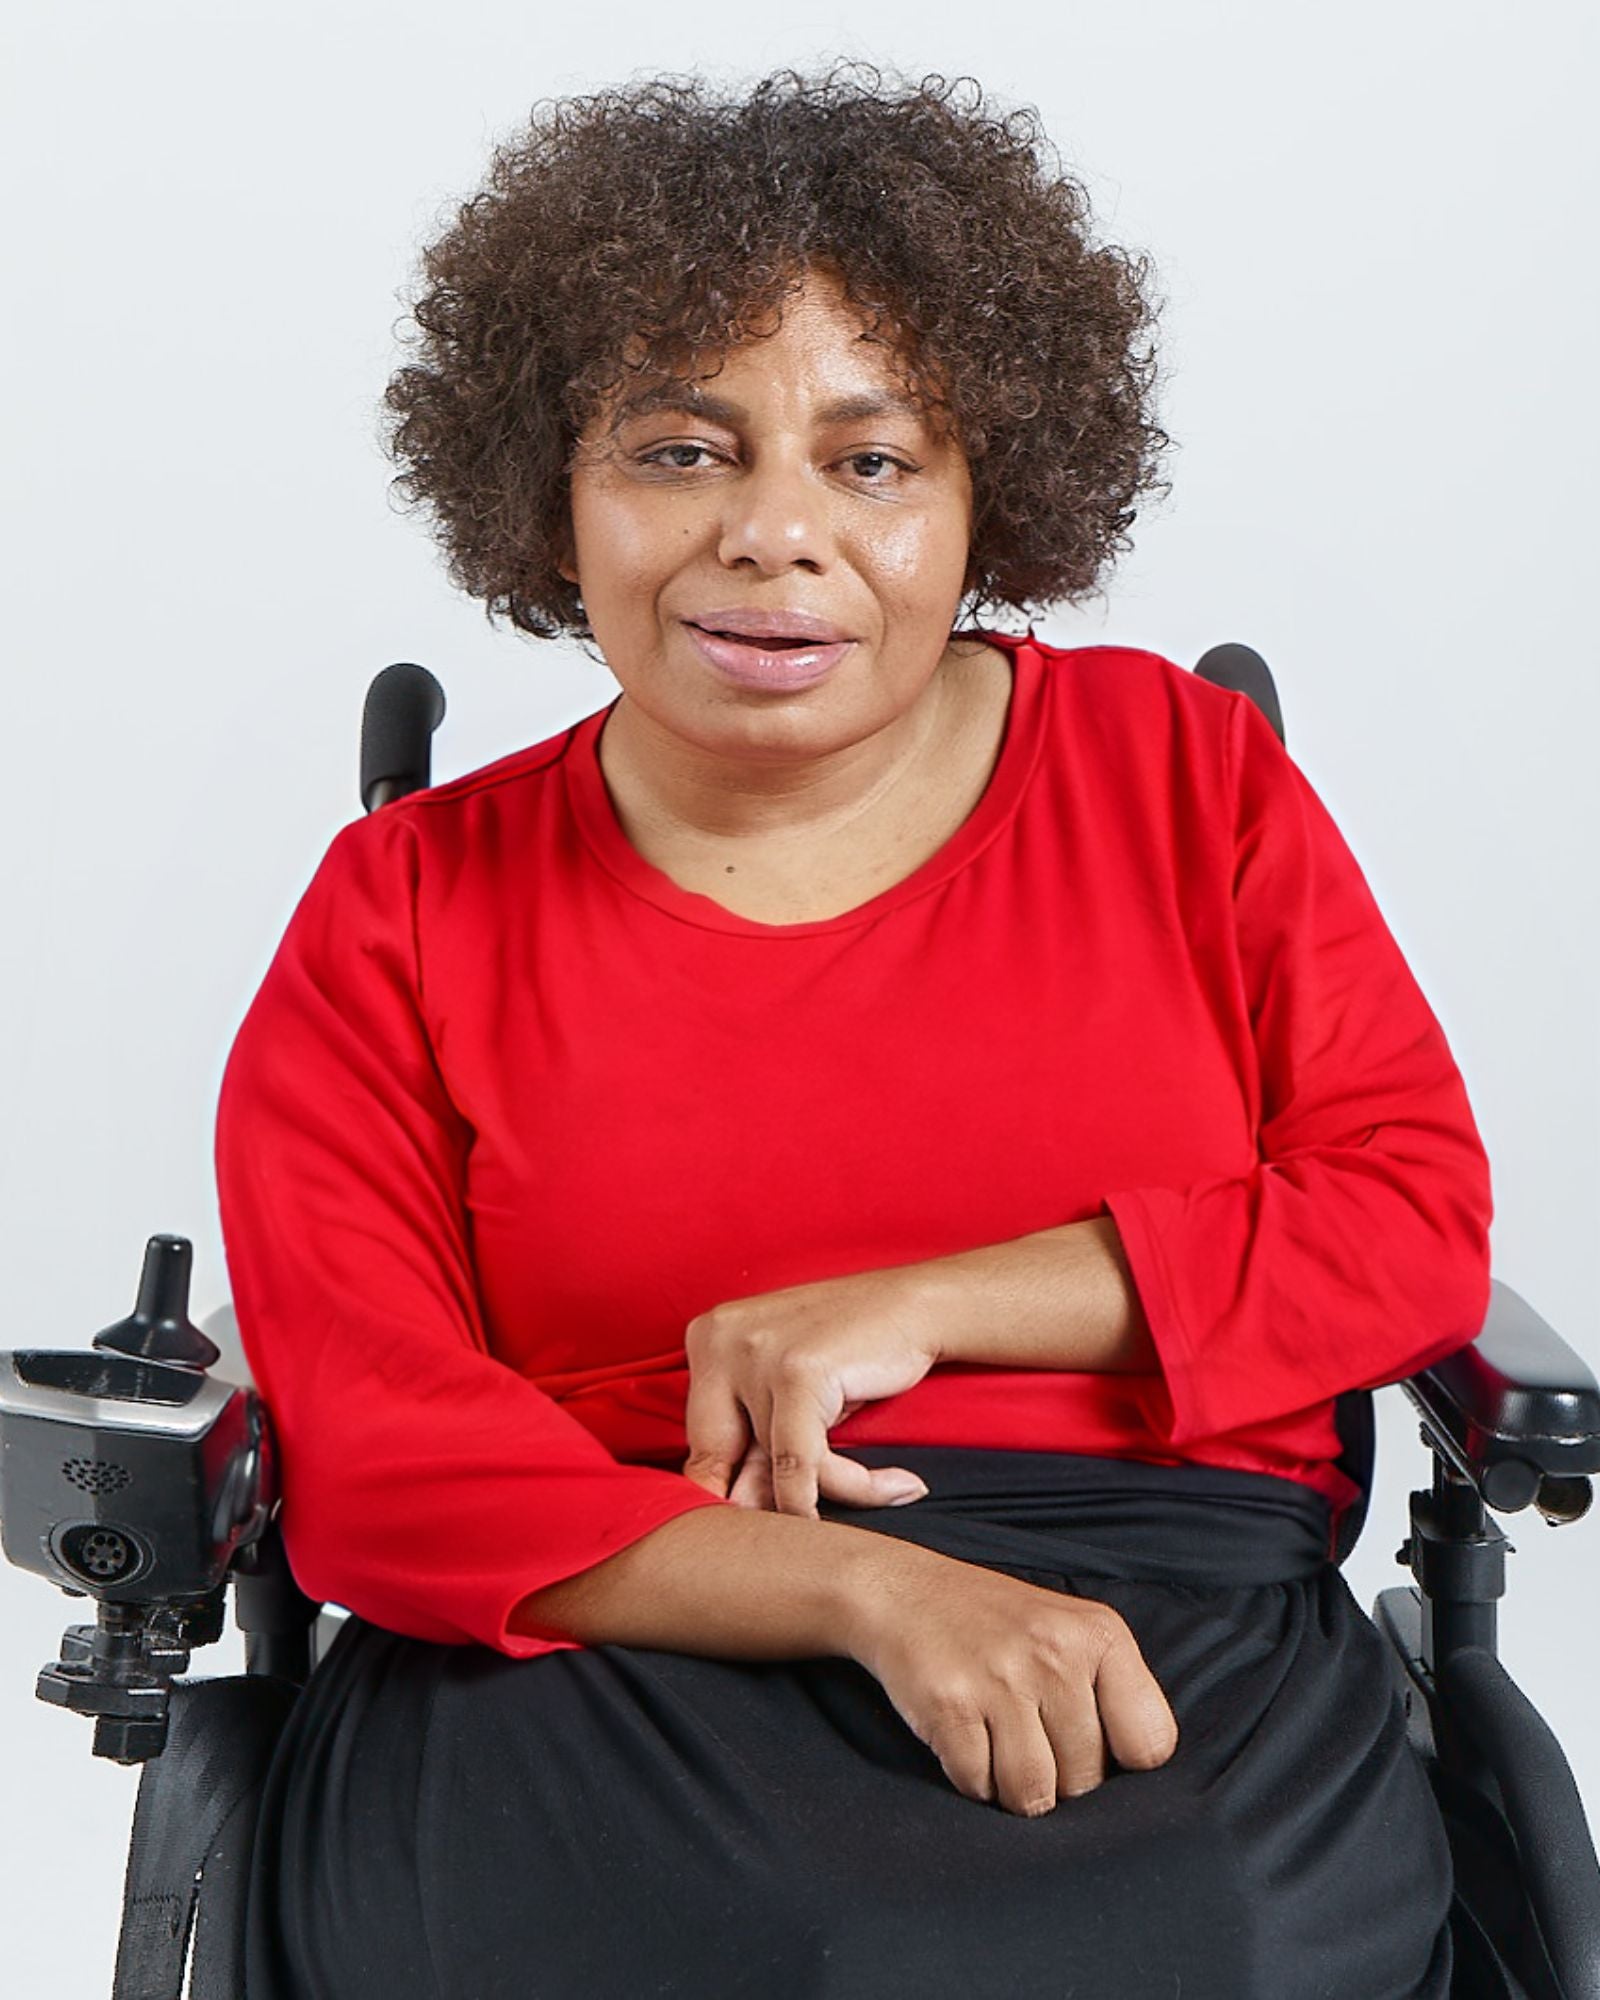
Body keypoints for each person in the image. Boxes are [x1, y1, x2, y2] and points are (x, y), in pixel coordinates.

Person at [216, 61, 1494, 1999]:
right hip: (602, 1613)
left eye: (872, 460)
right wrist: (863, 1589)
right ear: (548, 501)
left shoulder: (1177, 776)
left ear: (992, 499)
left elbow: (1403, 1226)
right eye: (677, 450)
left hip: (1155, 1597)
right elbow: (380, 1444)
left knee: (1162, 1941)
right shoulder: (409, 902)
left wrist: (919, 1302)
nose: (772, 534)